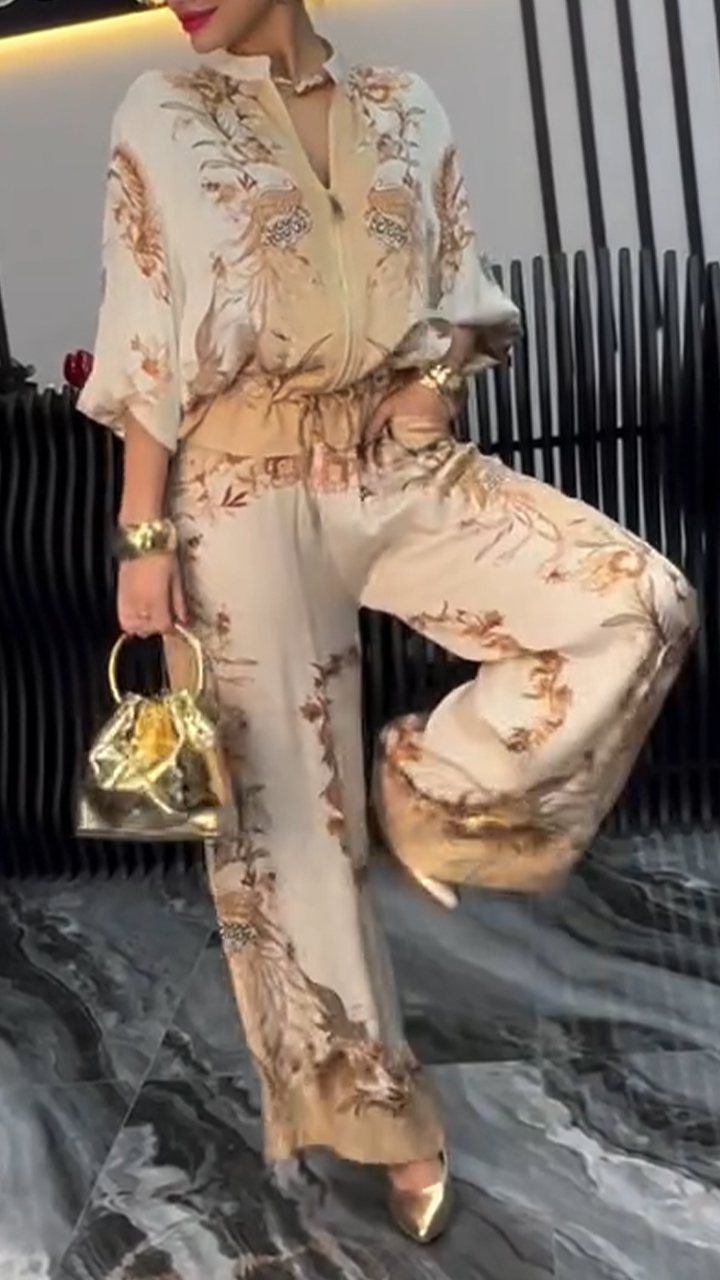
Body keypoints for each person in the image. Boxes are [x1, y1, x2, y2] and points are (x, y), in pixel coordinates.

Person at [78, 0, 697, 1245]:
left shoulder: (404, 107)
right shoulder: (162, 109)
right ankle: (374, 1110)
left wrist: (430, 383)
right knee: (287, 827)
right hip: (239, 487)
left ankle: (437, 791)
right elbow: (146, 333)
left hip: (392, 468)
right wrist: (143, 535)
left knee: (635, 599)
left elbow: (460, 290)